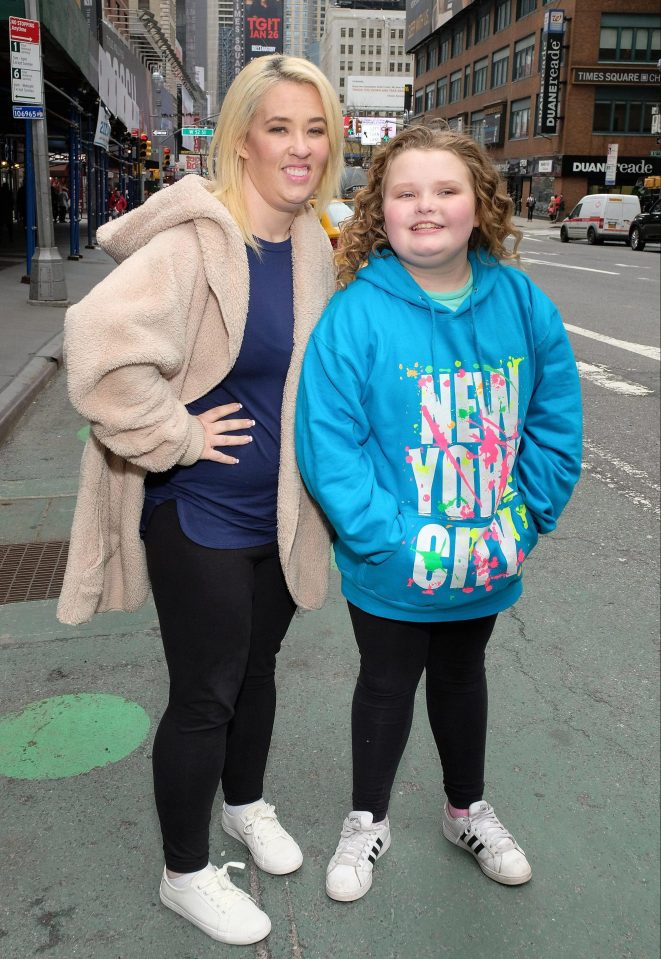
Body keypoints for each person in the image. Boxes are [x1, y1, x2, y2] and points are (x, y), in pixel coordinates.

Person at [57, 54, 343, 946]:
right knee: (205, 692)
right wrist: (176, 435)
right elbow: (95, 348)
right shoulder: (195, 240)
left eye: (314, 128)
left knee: (256, 673)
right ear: (242, 141)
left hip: (281, 513)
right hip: (201, 512)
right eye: (278, 128)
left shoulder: (309, 242)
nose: (299, 148)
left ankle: (243, 805)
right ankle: (184, 873)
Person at [295, 124, 582, 903]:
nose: (426, 206)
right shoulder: (355, 314)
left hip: (489, 554)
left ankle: (466, 809)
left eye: (446, 189)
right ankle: (367, 817)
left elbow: (555, 413)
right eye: (405, 192)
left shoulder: (520, 300)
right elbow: (328, 439)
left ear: (478, 205)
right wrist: (385, 539)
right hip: (393, 564)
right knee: (385, 682)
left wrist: (525, 518)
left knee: (462, 675)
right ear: (379, 210)